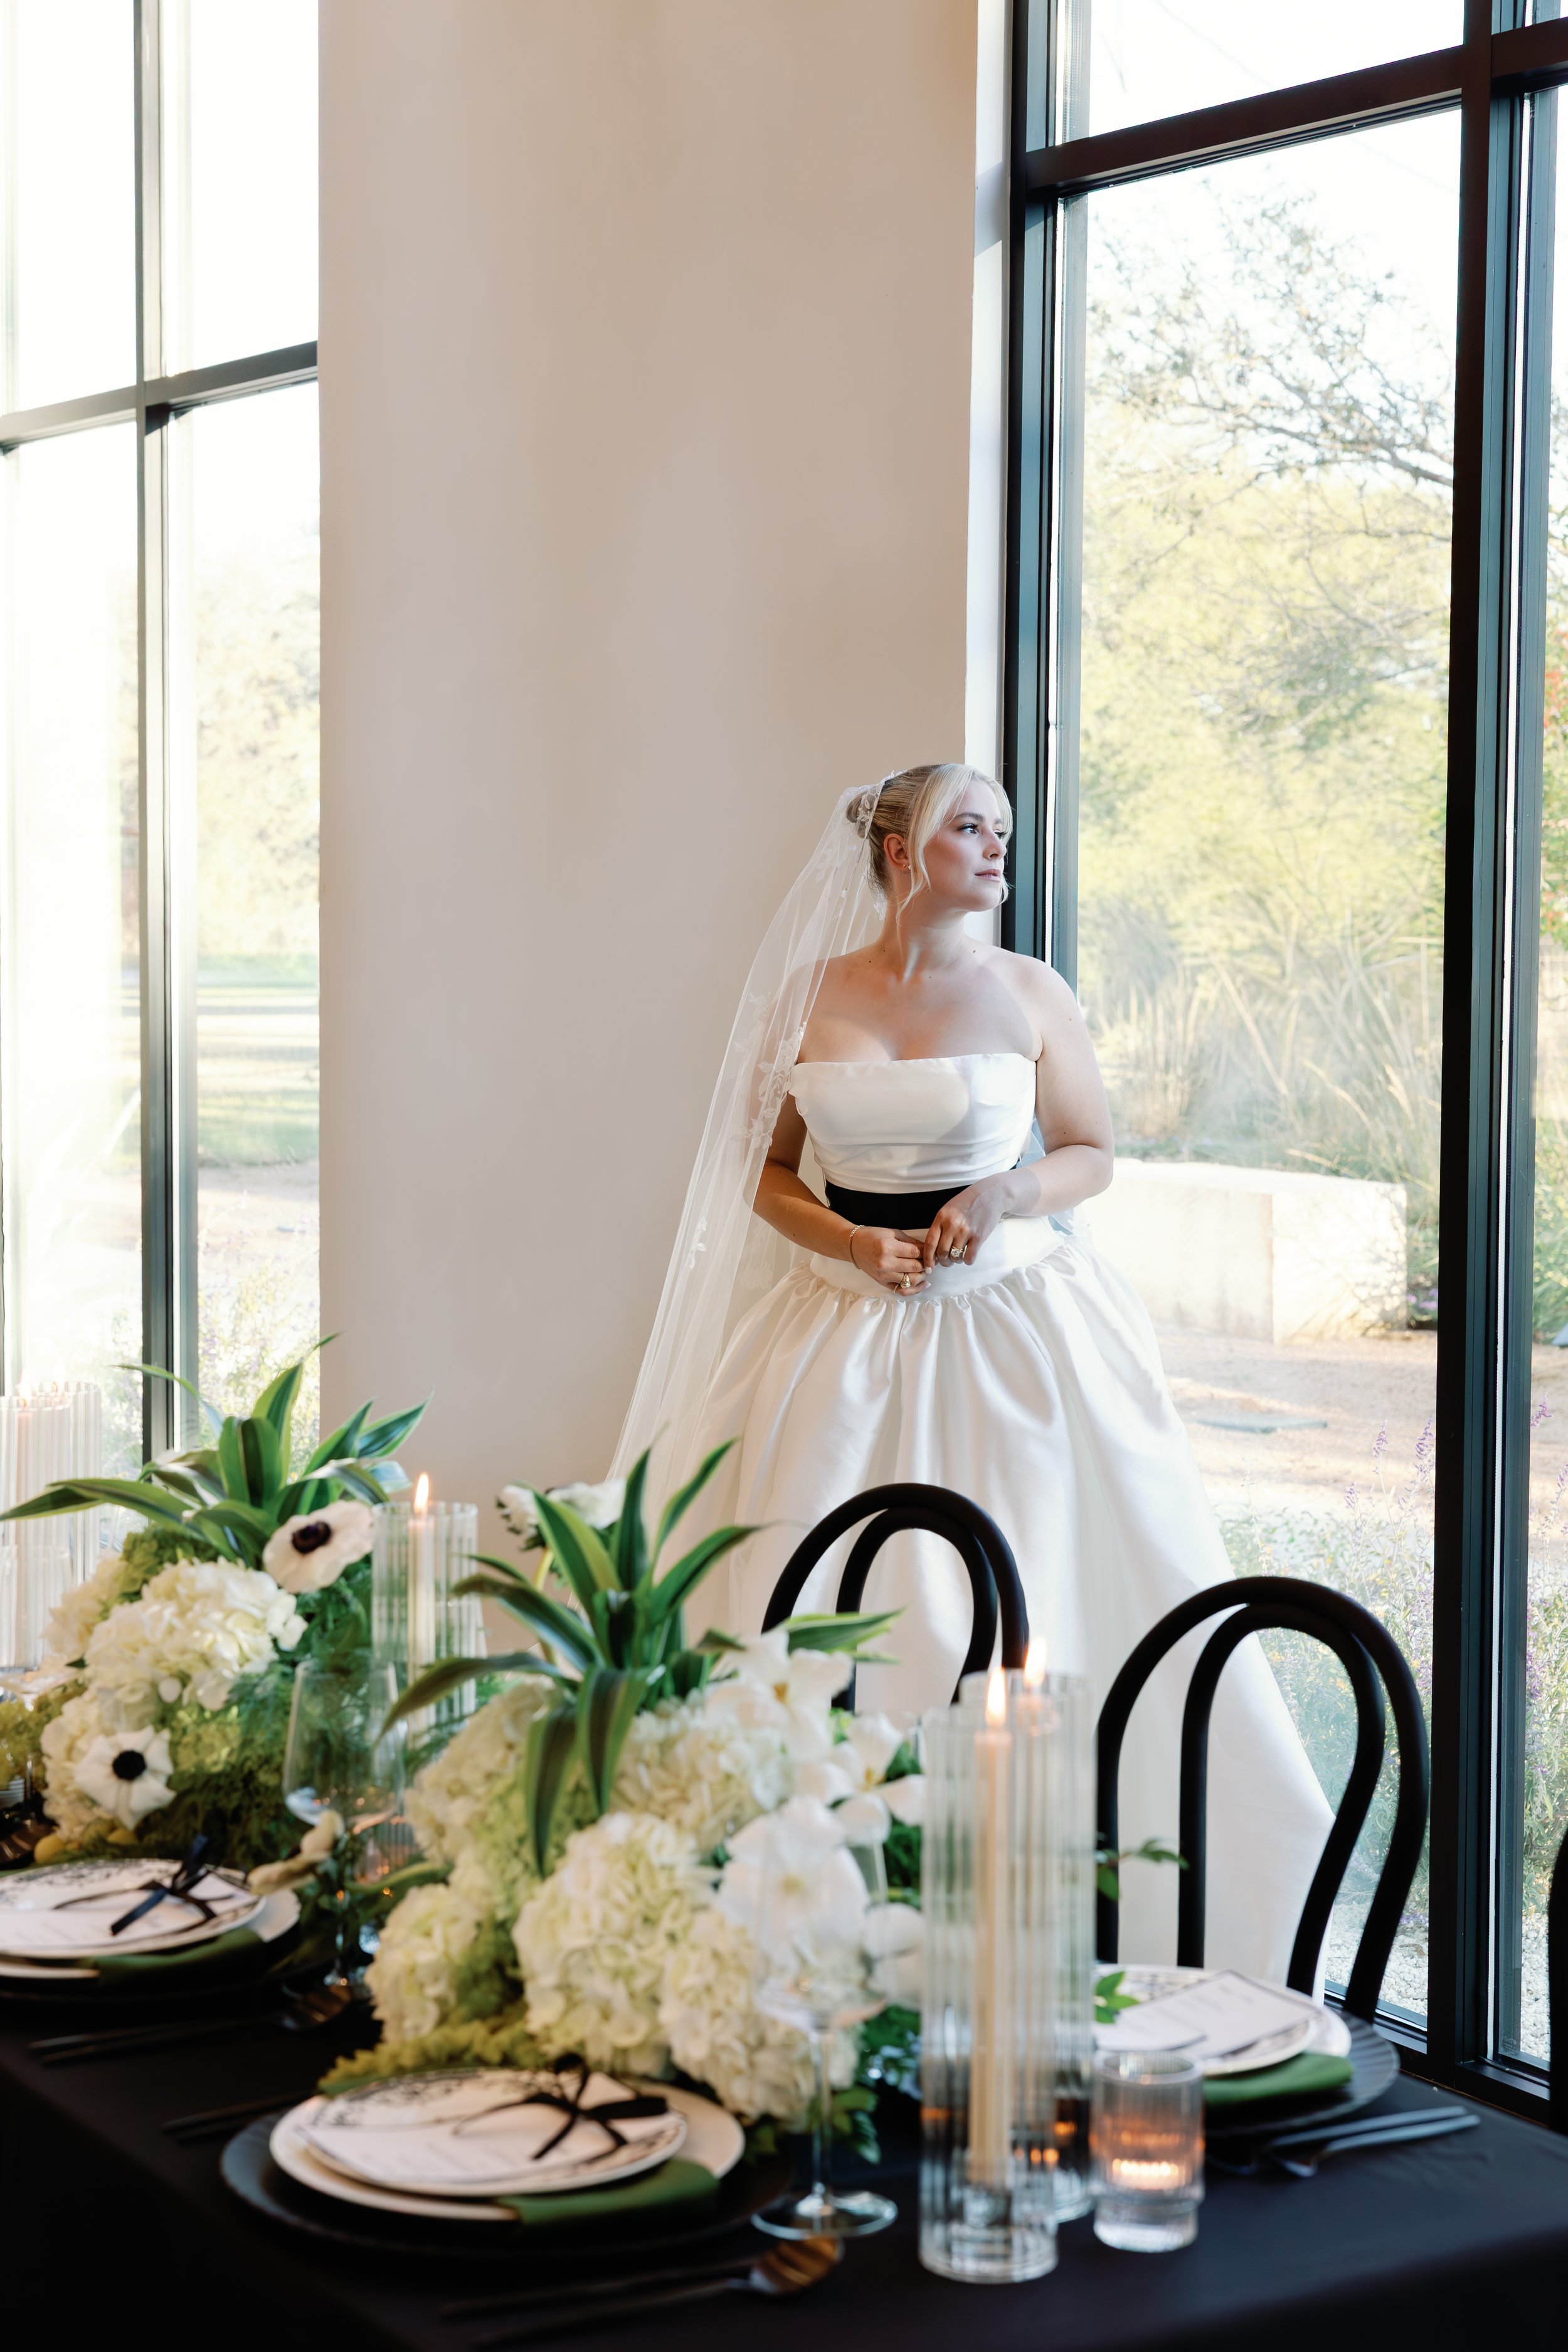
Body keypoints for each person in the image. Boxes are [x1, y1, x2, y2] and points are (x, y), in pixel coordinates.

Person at [615, 764, 1330, 1977]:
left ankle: (1047, 1920)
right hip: (837, 1336)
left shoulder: (1032, 992)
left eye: (1002, 828)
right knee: (808, 1602)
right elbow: (763, 1172)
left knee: (1040, 1598)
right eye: (969, 827)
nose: (998, 847)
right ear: (900, 851)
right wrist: (847, 1238)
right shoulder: (809, 996)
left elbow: (1094, 1153)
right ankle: (823, 1927)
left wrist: (1006, 1191)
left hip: (1009, 1327)